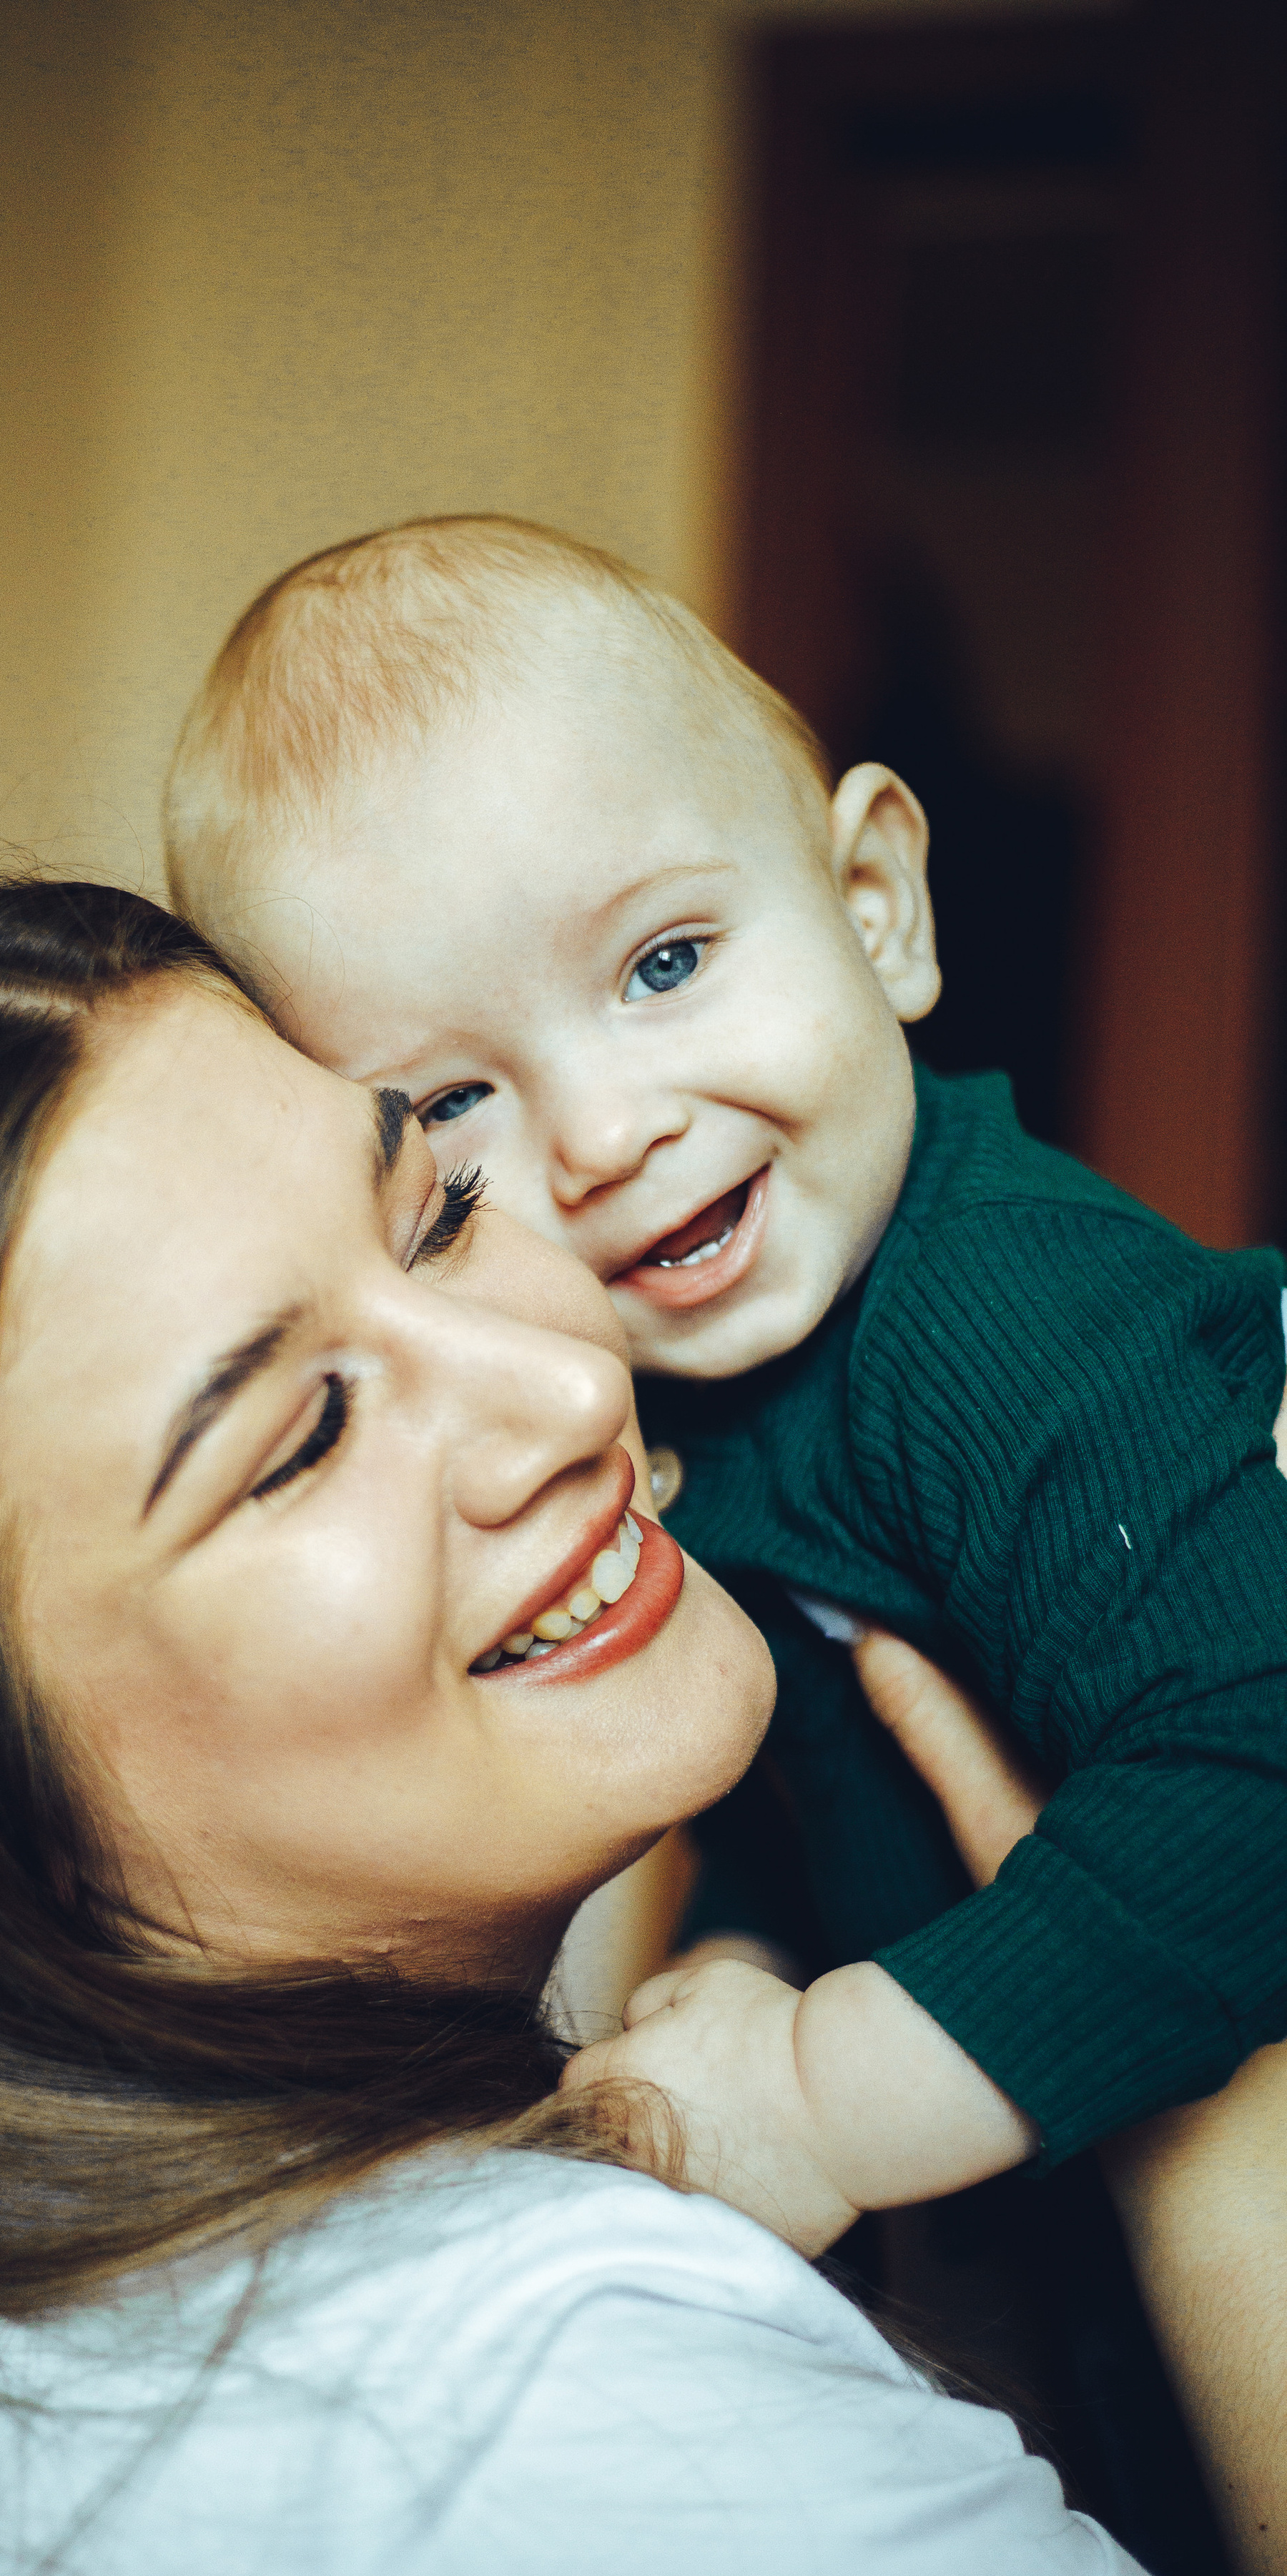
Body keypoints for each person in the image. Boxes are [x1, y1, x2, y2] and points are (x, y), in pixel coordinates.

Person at [0, 876, 1271, 2576]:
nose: (570, 1385)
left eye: (443, 1208)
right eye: (301, 1439)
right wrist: (1179, 2038)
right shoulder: (511, 2413)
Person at [160, 510, 1287, 2302]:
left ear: (876, 911)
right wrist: (749, 1964)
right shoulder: (664, 1417)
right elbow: (817, 1803)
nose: (607, 1137)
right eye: (453, 1103)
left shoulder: (1004, 1315)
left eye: (663, 964)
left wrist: (826, 2103)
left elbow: (1253, 1760)